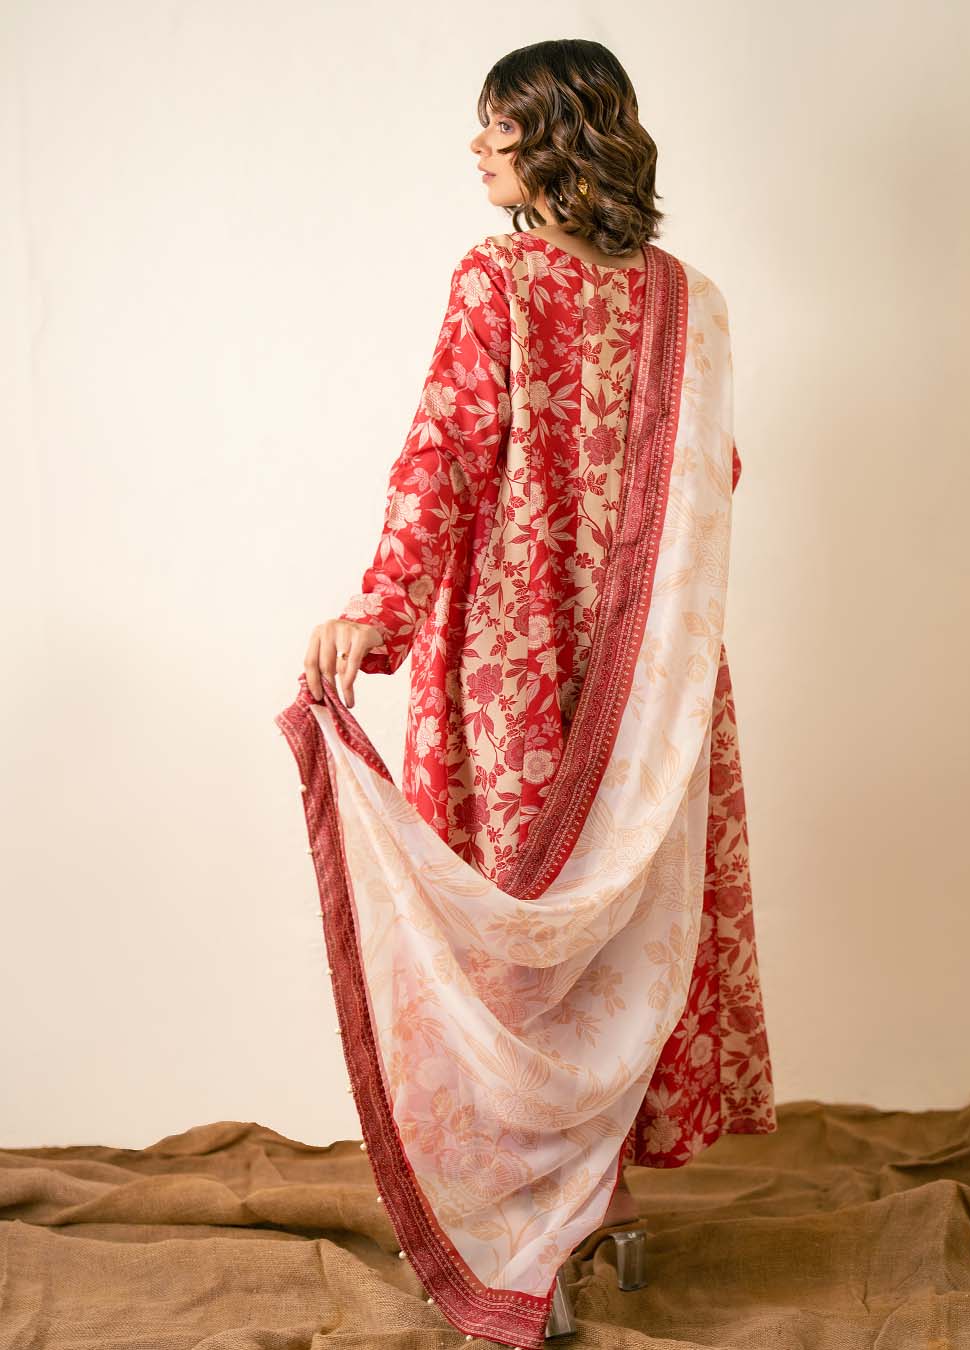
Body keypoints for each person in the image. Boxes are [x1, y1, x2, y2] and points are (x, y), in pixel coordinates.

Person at [281, 38, 775, 1349]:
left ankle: (530, 1231)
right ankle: (596, 1202)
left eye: (494, 123)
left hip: (517, 658)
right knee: (614, 925)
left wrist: (380, 608)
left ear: (553, 133)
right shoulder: (693, 302)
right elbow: (715, 476)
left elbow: (444, 452)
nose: (476, 147)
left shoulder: (497, 278)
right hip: (657, 677)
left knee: (515, 934)